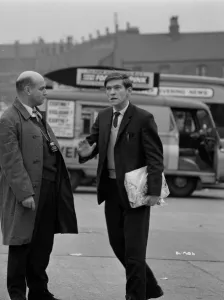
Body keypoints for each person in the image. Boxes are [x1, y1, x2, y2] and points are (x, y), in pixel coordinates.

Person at [77, 73, 164, 300]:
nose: (112, 93)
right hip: (111, 190)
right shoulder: (104, 116)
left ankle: (135, 296)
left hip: (136, 191)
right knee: (118, 245)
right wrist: (85, 152)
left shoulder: (144, 118)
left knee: (134, 250)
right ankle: (150, 287)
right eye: (108, 89)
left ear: (129, 90)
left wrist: (154, 191)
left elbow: (155, 156)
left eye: (116, 88)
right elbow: (93, 144)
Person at [0, 71, 78, 300]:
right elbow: (11, 162)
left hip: (48, 191)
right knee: (21, 244)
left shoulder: (36, 115)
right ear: (27, 90)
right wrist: (24, 194)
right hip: (29, 194)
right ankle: (17, 294)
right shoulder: (9, 119)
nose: (45, 92)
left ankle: (39, 291)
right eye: (42, 88)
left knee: (42, 245)